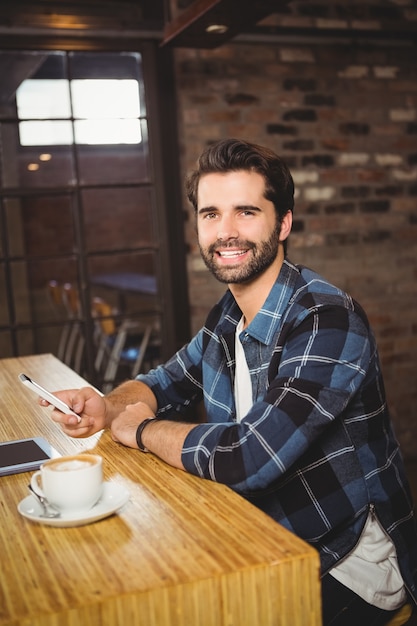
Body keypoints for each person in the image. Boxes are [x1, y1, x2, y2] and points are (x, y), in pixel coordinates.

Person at [46, 138, 417, 624]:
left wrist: (138, 430)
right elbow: (165, 381)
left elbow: (249, 457)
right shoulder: (229, 315)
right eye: (210, 214)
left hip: (348, 561)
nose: (226, 232)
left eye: (245, 212)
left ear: (282, 222)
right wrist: (107, 407)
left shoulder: (328, 319)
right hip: (261, 533)